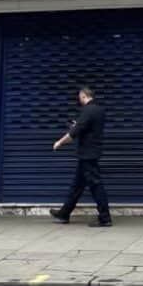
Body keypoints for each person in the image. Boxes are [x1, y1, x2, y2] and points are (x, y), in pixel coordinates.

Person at [50, 85, 112, 227]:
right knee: (77, 186)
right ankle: (64, 213)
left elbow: (75, 132)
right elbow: (88, 128)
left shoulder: (88, 110)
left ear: (84, 95)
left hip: (87, 154)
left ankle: (105, 217)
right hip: (92, 152)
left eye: (80, 97)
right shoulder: (99, 110)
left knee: (96, 186)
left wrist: (59, 142)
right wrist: (78, 125)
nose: (79, 100)